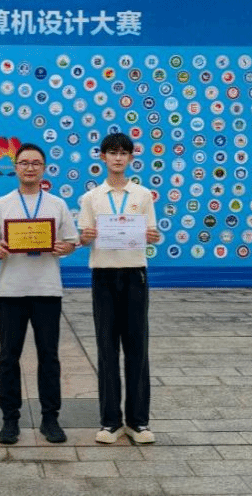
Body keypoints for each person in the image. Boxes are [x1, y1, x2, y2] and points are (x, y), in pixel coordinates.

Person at [0, 143, 79, 444]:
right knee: (9, 357)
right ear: (16, 168)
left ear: (44, 168)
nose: (30, 168)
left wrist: (64, 247)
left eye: (36, 163)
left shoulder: (57, 205)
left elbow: (72, 241)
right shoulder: (1, 204)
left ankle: (50, 419)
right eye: (24, 163)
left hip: (47, 290)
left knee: (49, 356)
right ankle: (10, 420)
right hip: (11, 290)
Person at [77, 132, 161, 444]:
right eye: (112, 153)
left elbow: (151, 231)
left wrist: (153, 236)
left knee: (138, 348)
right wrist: (85, 237)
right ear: (103, 157)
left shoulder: (143, 195)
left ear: (131, 158)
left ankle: (138, 422)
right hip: (103, 276)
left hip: (135, 275)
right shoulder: (91, 198)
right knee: (107, 348)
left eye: (123, 153)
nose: (118, 158)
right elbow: (84, 236)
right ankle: (110, 422)